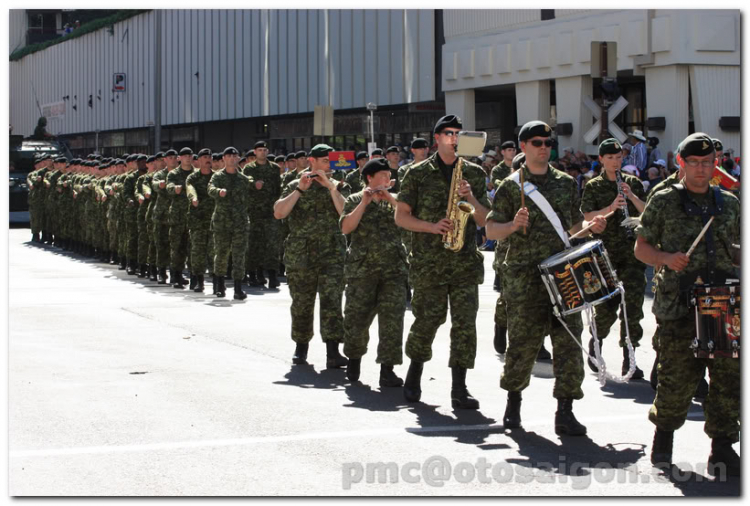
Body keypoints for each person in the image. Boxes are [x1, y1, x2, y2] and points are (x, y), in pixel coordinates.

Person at [486, 120, 607, 435]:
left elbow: (571, 227)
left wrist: (590, 227)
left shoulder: (566, 183)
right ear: (523, 147)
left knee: (568, 342)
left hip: (561, 273)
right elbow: (490, 230)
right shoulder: (511, 186)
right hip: (524, 276)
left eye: (547, 142)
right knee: (523, 344)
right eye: (536, 142)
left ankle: (565, 410)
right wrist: (512, 225)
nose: (543, 147)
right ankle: (513, 405)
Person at [634, 132, 740, 476]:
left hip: (722, 305)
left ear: (715, 165)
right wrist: (665, 257)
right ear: (681, 164)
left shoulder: (730, 203)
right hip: (679, 304)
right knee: (676, 379)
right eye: (693, 162)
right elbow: (641, 248)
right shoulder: (664, 201)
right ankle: (663, 437)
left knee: (727, 380)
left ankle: (722, 447)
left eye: (707, 162)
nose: (700, 169)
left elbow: (736, 249)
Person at [395, 114, 491, 409]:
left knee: (465, 325)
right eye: (448, 133)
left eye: (458, 133)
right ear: (436, 138)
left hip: (464, 263)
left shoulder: (473, 172)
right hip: (429, 263)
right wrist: (431, 226)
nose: (454, 138)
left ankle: (459, 389)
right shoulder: (417, 173)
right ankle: (414, 376)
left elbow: (486, 219)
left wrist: (471, 198)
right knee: (427, 320)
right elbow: (401, 216)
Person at [274, 144, 350, 369]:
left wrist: (331, 188)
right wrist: (299, 190)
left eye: (331, 161)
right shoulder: (294, 185)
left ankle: (333, 351)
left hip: (332, 253)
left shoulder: (340, 185)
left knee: (332, 302)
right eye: (325, 161)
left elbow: (347, 214)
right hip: (301, 254)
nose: (329, 165)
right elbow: (279, 212)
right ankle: (301, 347)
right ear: (312, 161)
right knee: (302, 303)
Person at [580, 138, 647, 379]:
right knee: (606, 307)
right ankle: (595, 347)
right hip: (605, 255)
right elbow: (587, 216)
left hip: (632, 255)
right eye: (610, 158)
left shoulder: (632, 183)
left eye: (619, 158)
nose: (615, 162)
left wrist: (631, 198)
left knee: (633, 308)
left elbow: (647, 212)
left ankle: (630, 356)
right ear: (601, 160)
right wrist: (611, 207)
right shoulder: (594, 186)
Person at [340, 158, 408, 387]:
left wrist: (389, 197)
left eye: (389, 175)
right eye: (383, 175)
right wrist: (365, 203)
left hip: (393, 270)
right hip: (362, 270)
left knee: (392, 321)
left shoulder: (396, 200)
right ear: (370, 177)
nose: (388, 179)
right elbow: (346, 227)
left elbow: (409, 220)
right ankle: (354, 359)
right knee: (357, 318)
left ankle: (387, 369)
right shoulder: (354, 199)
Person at [208, 147, 251, 299]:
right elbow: (210, 189)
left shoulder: (244, 179)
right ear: (224, 159)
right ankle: (219, 285)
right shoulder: (218, 177)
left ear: (238, 158)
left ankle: (238, 288)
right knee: (221, 253)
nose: (232, 158)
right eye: (229, 156)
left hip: (240, 222)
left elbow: (250, 199)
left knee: (239, 255)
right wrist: (219, 191)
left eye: (235, 156)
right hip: (222, 221)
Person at [243, 140, 283, 289]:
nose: (262, 152)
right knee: (254, 244)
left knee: (272, 244)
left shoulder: (274, 168)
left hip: (271, 212)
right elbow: (246, 182)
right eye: (259, 150)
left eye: (265, 150)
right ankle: (253, 273)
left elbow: (278, 189)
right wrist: (254, 184)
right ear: (255, 152)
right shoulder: (249, 168)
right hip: (254, 212)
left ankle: (272, 274)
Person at [186, 148, 215, 292]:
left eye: (209, 156)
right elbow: (190, 188)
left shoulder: (216, 177)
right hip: (197, 221)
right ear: (198, 160)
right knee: (197, 251)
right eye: (204, 157)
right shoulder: (193, 178)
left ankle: (217, 282)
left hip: (214, 221)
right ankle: (198, 280)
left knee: (214, 251)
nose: (207, 159)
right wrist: (194, 198)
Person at [166, 147, 195, 288]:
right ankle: (175, 274)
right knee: (177, 247)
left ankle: (192, 274)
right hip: (177, 216)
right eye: (184, 156)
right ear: (180, 158)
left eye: (189, 155)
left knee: (192, 247)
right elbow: (168, 187)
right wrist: (174, 188)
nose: (187, 158)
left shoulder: (196, 174)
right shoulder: (174, 174)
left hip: (193, 216)